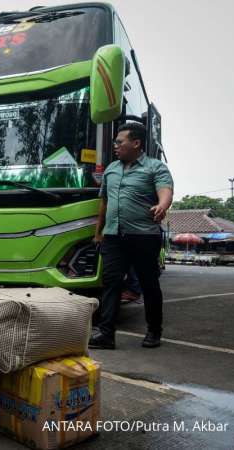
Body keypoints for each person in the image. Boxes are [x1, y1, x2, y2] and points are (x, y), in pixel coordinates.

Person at [90, 122, 173, 350]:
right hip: (113, 237)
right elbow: (104, 203)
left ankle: (154, 331)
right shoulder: (111, 169)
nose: (115, 145)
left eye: (120, 142)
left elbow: (165, 191)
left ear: (136, 143)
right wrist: (99, 233)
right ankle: (106, 334)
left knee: (149, 284)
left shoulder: (155, 167)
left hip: (144, 237)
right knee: (111, 284)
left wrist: (162, 206)